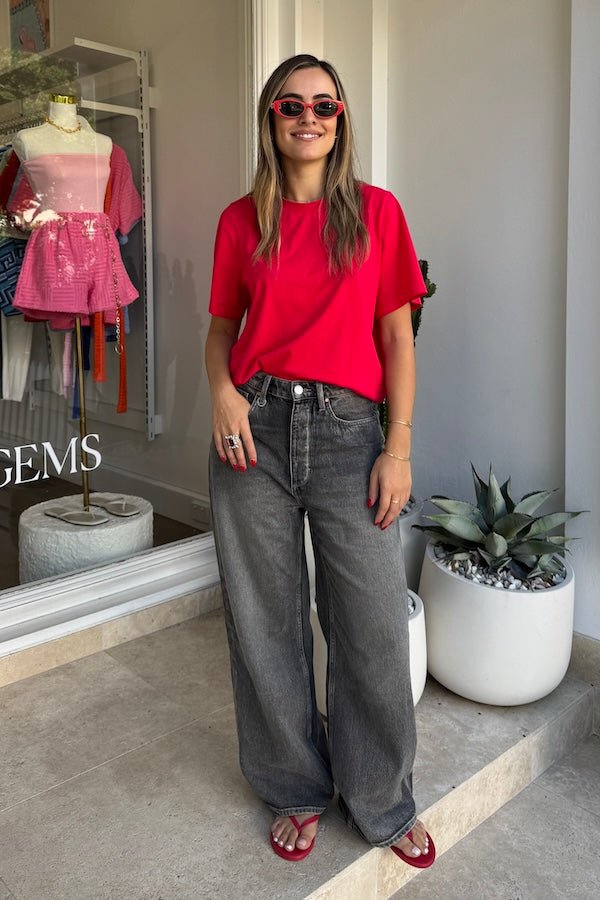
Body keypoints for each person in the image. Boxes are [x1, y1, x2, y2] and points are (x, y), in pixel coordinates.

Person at [205, 53, 435, 868]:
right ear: (270, 118)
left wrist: (398, 446)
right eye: (291, 104)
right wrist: (223, 395)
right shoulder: (242, 221)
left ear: (341, 119)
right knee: (264, 622)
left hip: (350, 434)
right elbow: (221, 333)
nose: (309, 116)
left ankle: (381, 799)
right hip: (252, 429)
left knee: (372, 625)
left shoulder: (377, 213)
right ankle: (295, 787)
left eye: (325, 105)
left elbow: (397, 339)